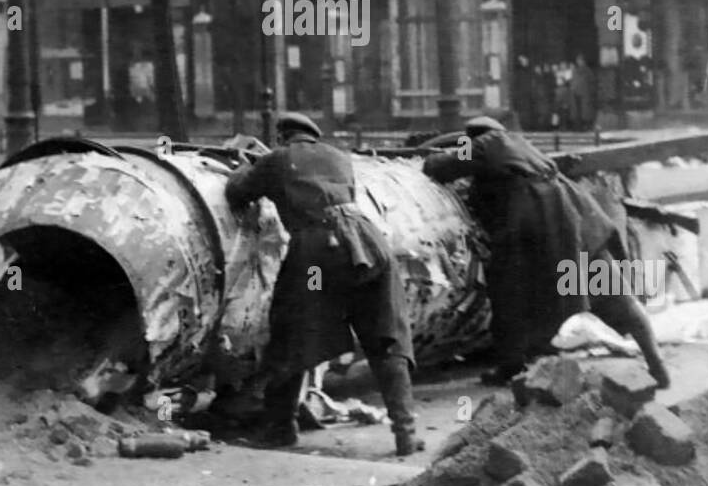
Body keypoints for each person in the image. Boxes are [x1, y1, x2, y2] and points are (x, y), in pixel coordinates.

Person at [224, 111, 423, 455]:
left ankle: (280, 428)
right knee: (386, 336)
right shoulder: (339, 157)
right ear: (313, 137)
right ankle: (405, 433)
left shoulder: (278, 159)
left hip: (317, 255)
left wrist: (248, 165)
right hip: (370, 246)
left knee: (291, 331)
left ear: (283, 137)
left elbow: (237, 191)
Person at [421, 116, 669, 389]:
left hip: (540, 227)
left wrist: (440, 155)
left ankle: (512, 369)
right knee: (615, 297)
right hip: (578, 223)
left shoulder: (484, 145)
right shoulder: (524, 146)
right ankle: (656, 362)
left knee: (510, 295)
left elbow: (438, 167)